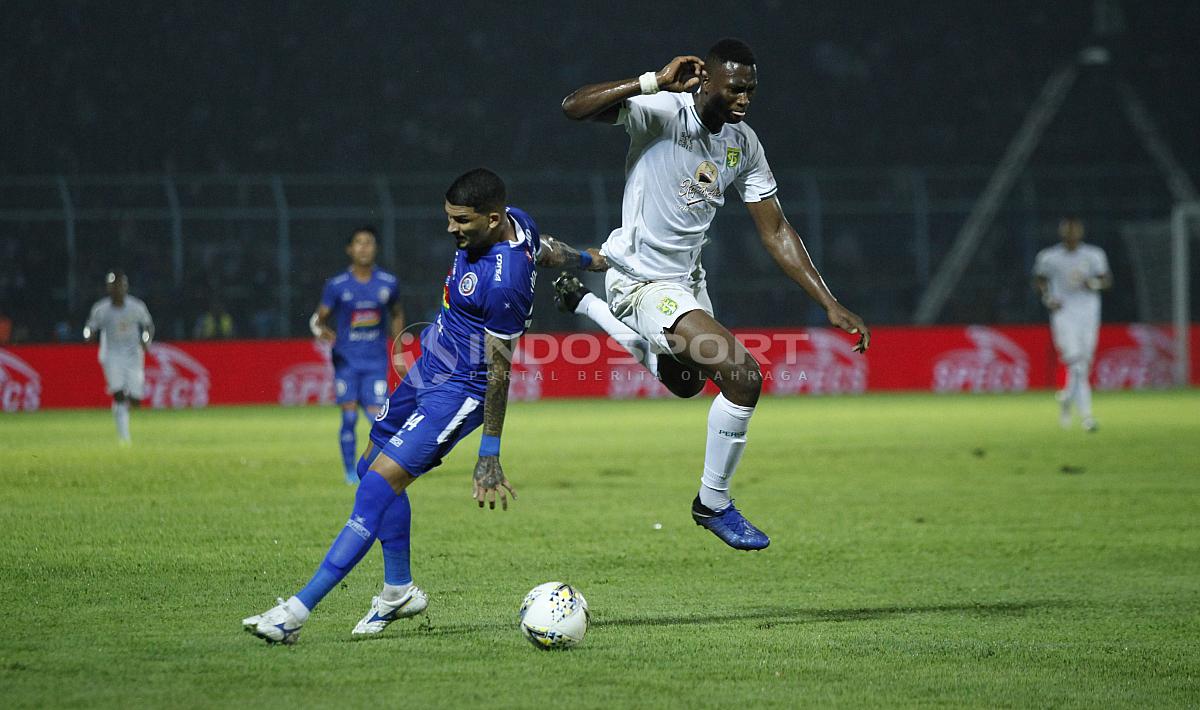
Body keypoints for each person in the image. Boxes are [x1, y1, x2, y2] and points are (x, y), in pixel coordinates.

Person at [243, 168, 598, 644]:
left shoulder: (506, 281)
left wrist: (488, 452)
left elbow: (498, 371)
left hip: (460, 389)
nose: (451, 229)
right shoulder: (515, 220)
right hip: (428, 368)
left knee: (373, 487)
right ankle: (398, 590)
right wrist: (587, 259)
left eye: (461, 221)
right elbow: (546, 247)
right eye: (449, 218)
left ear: (492, 220)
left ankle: (295, 613)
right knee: (371, 462)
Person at [557, 38, 870, 551]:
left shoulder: (743, 145)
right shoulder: (661, 112)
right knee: (743, 377)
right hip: (639, 282)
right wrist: (651, 80)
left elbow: (776, 230)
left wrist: (828, 301)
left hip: (688, 284)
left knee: (685, 384)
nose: (745, 99)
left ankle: (586, 305)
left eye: (751, 90)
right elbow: (574, 107)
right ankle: (713, 502)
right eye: (735, 89)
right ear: (707, 82)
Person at [311, 227, 406, 485]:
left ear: (375, 248)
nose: (364, 247)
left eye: (369, 243)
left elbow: (397, 313)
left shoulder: (388, 282)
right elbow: (318, 320)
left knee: (379, 420)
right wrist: (322, 331)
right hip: (347, 361)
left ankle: (378, 468)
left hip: (375, 362)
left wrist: (398, 352)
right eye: (359, 243)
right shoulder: (337, 285)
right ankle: (349, 471)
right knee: (350, 416)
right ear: (350, 249)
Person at [1034, 217, 1111, 432]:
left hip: (1088, 313)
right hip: (1064, 313)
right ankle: (1087, 417)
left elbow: (1106, 281)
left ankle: (1067, 398)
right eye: (1067, 230)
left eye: (1074, 230)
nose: (1070, 234)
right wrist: (1048, 298)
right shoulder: (1049, 257)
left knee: (1083, 366)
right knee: (1076, 364)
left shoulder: (1094, 255)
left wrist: (1093, 283)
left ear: (1080, 232)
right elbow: (1039, 280)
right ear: (1061, 233)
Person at [83, 270, 154, 445]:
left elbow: (148, 326)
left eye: (121, 285)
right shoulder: (101, 309)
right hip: (111, 355)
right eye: (114, 285)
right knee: (119, 394)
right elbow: (90, 326)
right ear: (108, 287)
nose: (118, 289)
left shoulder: (136, 306)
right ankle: (124, 437)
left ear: (126, 287)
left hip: (133, 355)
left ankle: (124, 409)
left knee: (136, 400)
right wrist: (87, 335)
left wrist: (146, 340)